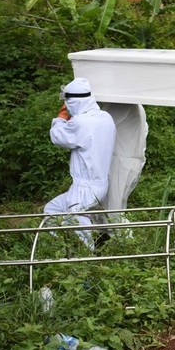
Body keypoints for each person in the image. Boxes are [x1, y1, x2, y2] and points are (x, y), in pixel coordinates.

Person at [44, 77, 116, 249]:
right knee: (52, 209)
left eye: (67, 102)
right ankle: (61, 250)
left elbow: (58, 137)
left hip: (85, 187)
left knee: (79, 226)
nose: (66, 106)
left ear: (74, 102)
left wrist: (61, 116)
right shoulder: (105, 117)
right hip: (100, 183)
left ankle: (87, 265)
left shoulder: (81, 123)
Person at [102, 103, 148, 212]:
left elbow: (100, 127)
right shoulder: (138, 107)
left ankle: (117, 229)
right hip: (133, 160)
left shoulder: (119, 105)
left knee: (112, 210)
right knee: (117, 207)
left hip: (120, 162)